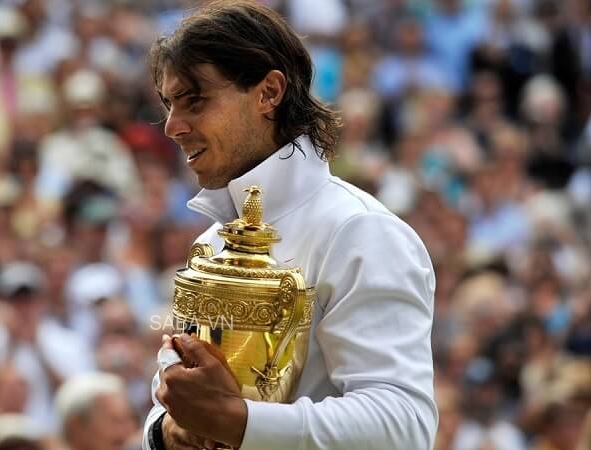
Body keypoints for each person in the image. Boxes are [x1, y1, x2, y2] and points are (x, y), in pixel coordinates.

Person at [142, 2, 437, 449]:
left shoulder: (361, 231)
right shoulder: (212, 241)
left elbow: (404, 425)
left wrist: (237, 423)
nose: (172, 127)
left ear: (268, 92)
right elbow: (176, 402)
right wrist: (168, 431)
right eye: (168, 105)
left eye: (194, 100)